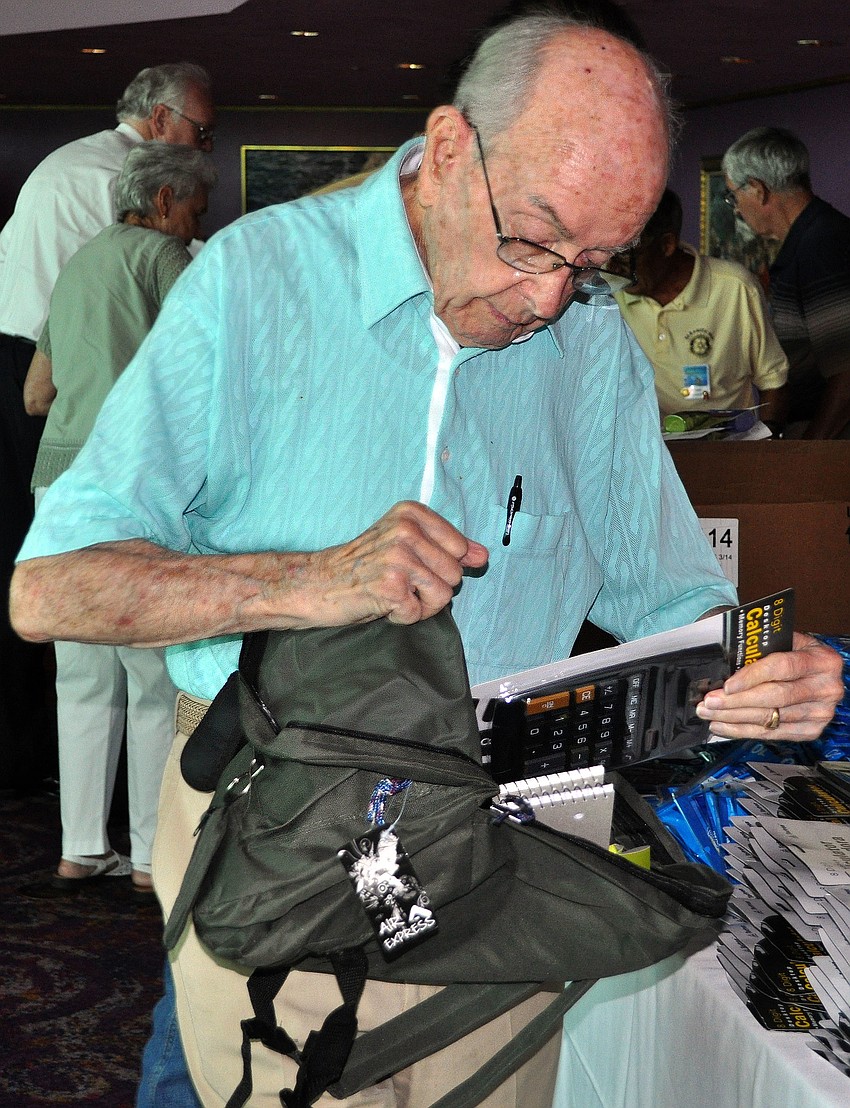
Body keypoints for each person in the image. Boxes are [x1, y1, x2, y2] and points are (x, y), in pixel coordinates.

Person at [10, 12, 843, 1108]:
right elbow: (49, 585)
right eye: (531, 239)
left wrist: (758, 662)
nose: (550, 297)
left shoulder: (588, 337)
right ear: (450, 148)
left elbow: (675, 591)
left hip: (507, 847)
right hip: (281, 821)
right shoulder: (257, 281)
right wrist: (309, 581)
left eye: (593, 262)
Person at [0, 60, 215, 793]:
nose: (201, 224)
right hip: (129, 473)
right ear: (162, 197)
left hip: (56, 472)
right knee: (153, 678)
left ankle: (78, 846)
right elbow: (201, 358)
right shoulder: (162, 253)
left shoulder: (78, 259)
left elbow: (35, 395)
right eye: (196, 209)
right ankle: (151, 857)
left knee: (80, 676)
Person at [614, 188, 789, 427]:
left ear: (666, 245)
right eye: (608, 252)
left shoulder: (735, 289)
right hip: (645, 455)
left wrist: (764, 451)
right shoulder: (607, 294)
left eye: (625, 256)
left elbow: (773, 381)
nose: (612, 267)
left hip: (724, 453)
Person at [722, 126, 850, 438]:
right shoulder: (816, 237)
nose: (736, 208)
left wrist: (807, 453)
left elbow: (846, 373)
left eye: (733, 195)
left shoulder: (820, 244)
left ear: (758, 189)